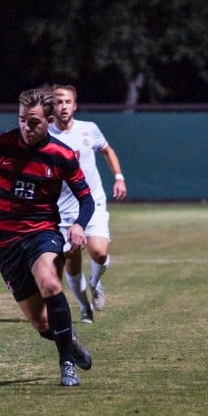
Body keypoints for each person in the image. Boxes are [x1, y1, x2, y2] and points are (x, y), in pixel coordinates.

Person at [0, 88, 95, 387]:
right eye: (21, 120)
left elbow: (87, 199)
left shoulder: (62, 156)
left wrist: (80, 225)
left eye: (33, 122)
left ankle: (65, 363)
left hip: (41, 231)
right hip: (3, 240)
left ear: (48, 120)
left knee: (49, 282)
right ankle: (69, 340)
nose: (26, 128)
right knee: (42, 323)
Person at [49, 84, 127, 323]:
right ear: (52, 105)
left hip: (92, 202)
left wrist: (119, 177)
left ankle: (95, 282)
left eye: (68, 102)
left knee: (100, 252)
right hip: (63, 210)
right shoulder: (46, 135)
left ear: (75, 105)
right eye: (59, 102)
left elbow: (107, 150)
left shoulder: (88, 129)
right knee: (72, 262)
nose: (64, 106)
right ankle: (84, 307)